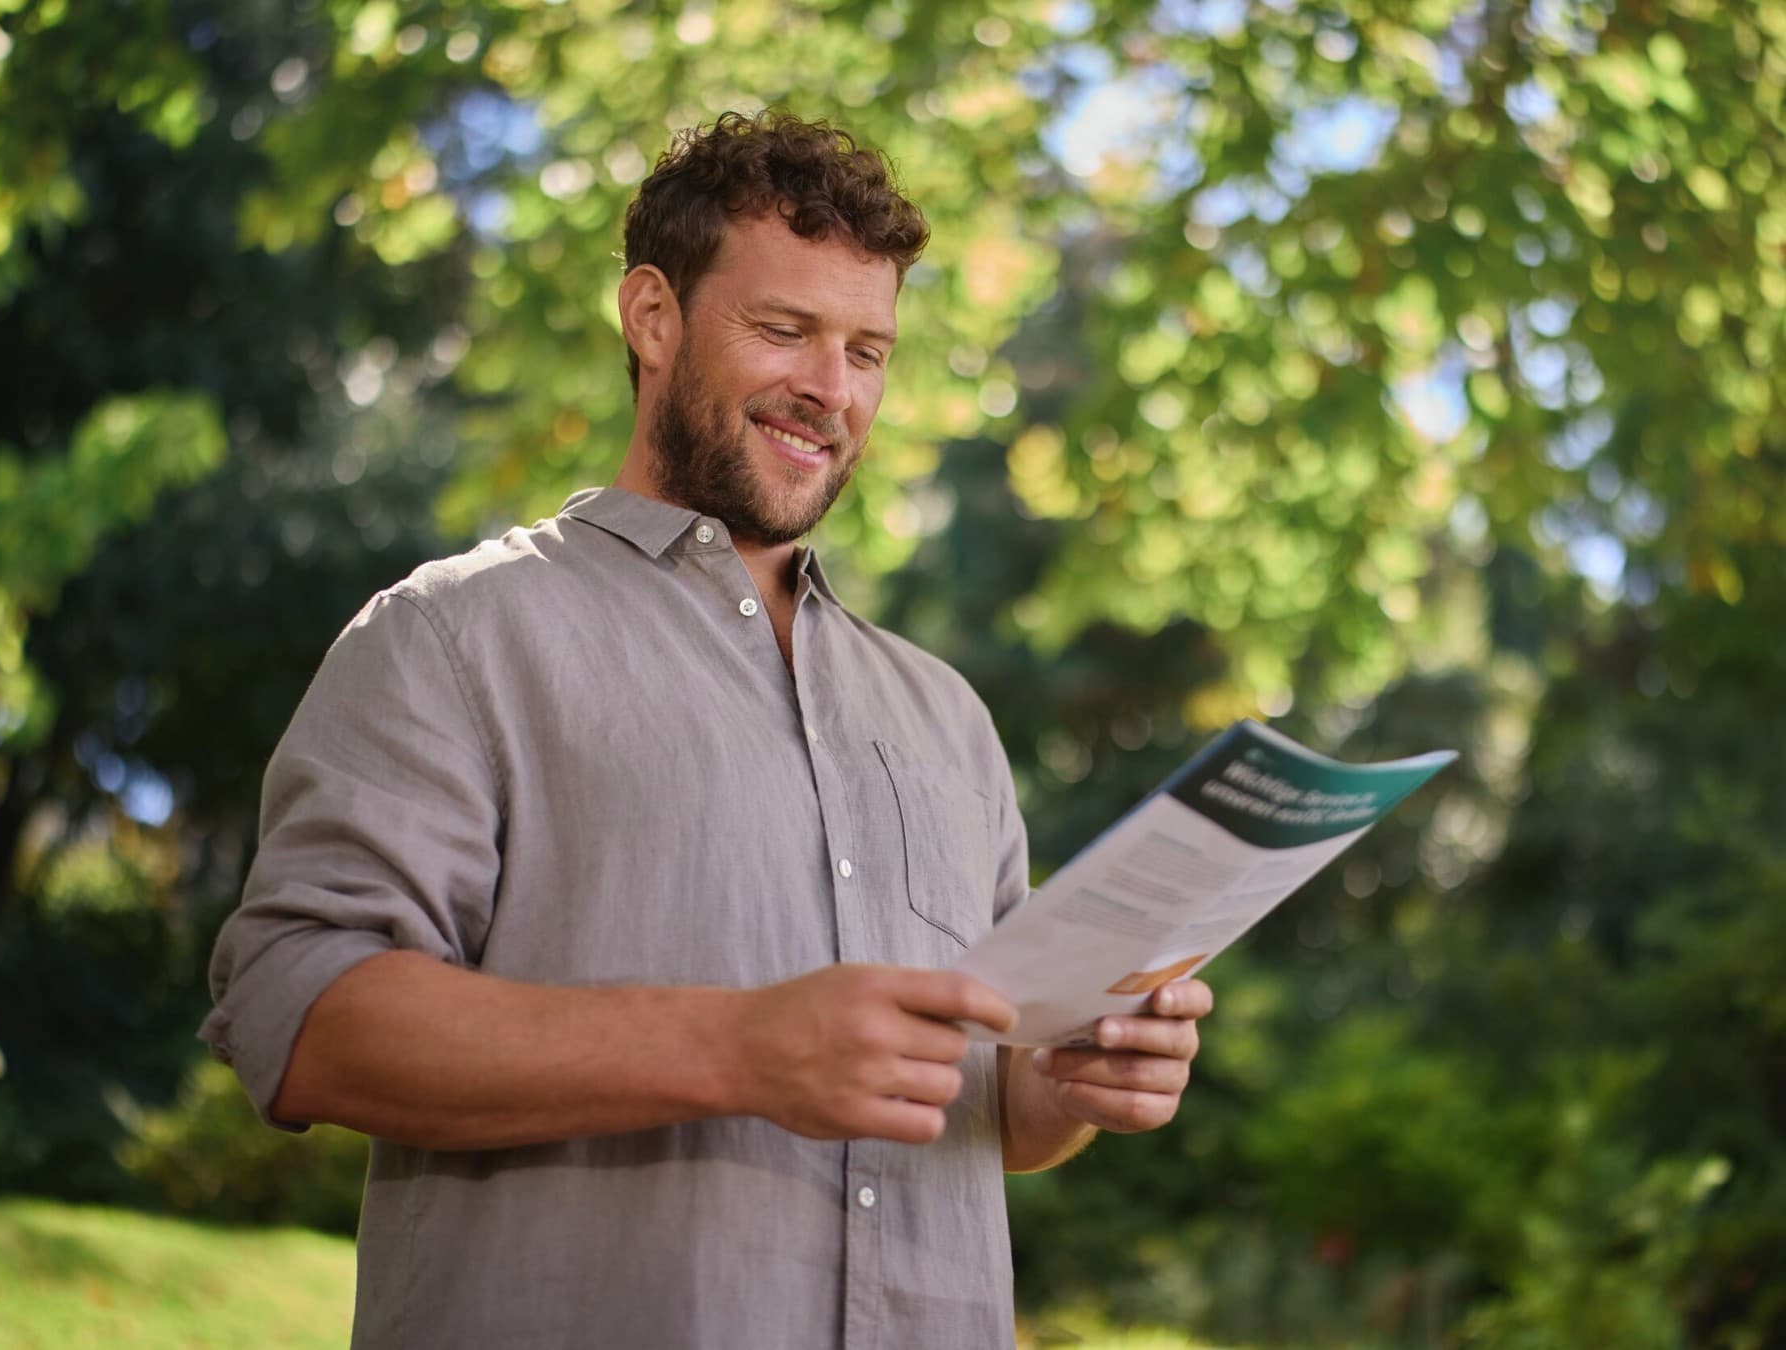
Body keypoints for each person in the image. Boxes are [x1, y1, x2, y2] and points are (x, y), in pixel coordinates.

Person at [202, 109, 1213, 1350]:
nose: (831, 390)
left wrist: (1065, 1086)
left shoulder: (947, 718)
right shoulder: (456, 635)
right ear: (652, 317)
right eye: (784, 331)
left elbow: (992, 1108)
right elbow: (299, 1015)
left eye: (867, 351)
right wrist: (739, 1048)